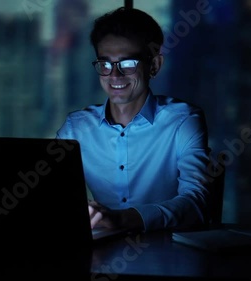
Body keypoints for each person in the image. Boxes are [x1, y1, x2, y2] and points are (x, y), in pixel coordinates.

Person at [56, 7, 211, 232]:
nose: (114, 76)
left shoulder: (182, 122)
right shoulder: (76, 129)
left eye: (128, 64)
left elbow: (196, 204)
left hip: (167, 252)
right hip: (99, 252)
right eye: (106, 64)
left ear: (154, 66)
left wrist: (123, 220)